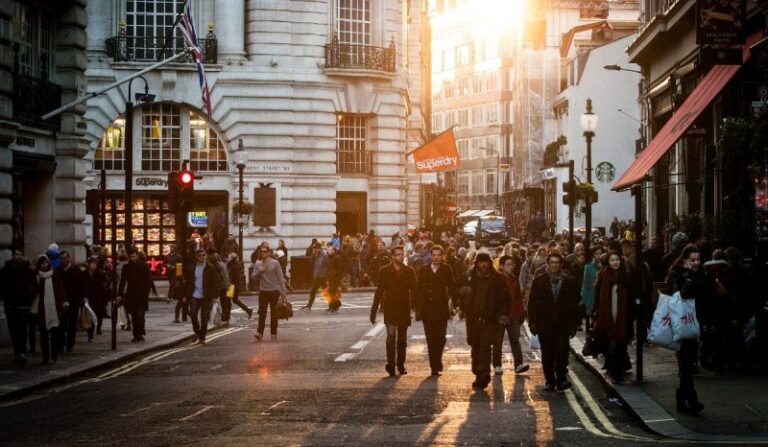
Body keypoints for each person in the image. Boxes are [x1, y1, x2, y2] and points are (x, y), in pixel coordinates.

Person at [666, 244, 710, 415]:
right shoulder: (676, 274)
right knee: (686, 364)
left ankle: (682, 400)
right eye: (692, 260)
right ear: (684, 260)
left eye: (698, 259)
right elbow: (678, 296)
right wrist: (689, 278)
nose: (696, 263)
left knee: (688, 364)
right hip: (681, 324)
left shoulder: (702, 274)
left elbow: (705, 300)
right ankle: (692, 401)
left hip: (695, 324)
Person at [528, 252, 580, 391]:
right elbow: (532, 303)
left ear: (561, 264)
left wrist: (574, 324)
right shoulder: (539, 281)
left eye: (557, 262)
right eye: (552, 262)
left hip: (562, 324)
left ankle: (561, 379)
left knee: (562, 351)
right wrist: (532, 322)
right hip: (545, 324)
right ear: (548, 264)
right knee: (547, 353)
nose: (554, 265)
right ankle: (550, 380)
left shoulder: (570, 281)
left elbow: (574, 304)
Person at [459, 252, 510, 390]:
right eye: (481, 262)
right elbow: (458, 292)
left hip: (490, 318)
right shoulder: (469, 278)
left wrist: (502, 314)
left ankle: (484, 372)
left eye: (486, 262)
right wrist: (462, 299)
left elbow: (504, 299)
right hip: (473, 318)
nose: (483, 265)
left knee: (485, 345)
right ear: (476, 263)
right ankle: (478, 372)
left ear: (489, 263)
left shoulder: (497, 279)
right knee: (475, 344)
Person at [370, 246, 417, 376]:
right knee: (391, 337)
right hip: (390, 307)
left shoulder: (409, 271)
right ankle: (391, 364)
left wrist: (416, 308)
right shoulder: (384, 271)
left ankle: (401, 364)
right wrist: (373, 311)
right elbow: (379, 291)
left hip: (403, 308)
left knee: (402, 339)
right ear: (392, 257)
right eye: (397, 255)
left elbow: (414, 290)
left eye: (401, 254)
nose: (400, 257)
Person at [414, 245, 455, 376]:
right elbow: (418, 290)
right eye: (434, 255)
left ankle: (438, 360)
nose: (437, 257)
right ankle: (434, 365)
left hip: (441, 308)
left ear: (442, 256)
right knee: (430, 338)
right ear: (430, 256)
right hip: (427, 308)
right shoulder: (424, 270)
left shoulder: (446, 269)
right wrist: (417, 308)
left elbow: (452, 286)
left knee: (441, 337)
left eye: (439, 255)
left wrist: (454, 303)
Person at [593, 251, 633, 383]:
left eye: (617, 260)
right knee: (612, 346)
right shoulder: (604, 275)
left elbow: (632, 297)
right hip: (608, 317)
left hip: (623, 317)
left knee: (621, 347)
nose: (615, 262)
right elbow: (598, 297)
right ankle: (616, 374)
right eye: (612, 260)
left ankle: (618, 372)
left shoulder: (626, 276)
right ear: (608, 262)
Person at [0, 249, 36, 363]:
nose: (19, 257)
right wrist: (5, 296)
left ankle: (22, 351)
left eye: (21, 255)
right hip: (10, 304)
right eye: (17, 255)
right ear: (13, 256)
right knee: (13, 329)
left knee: (22, 329)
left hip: (23, 304)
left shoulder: (28, 270)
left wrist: (28, 297)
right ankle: (17, 351)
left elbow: (34, 286)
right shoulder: (6, 269)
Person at [496, 255, 530, 375]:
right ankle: (497, 365)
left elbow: (518, 298)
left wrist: (521, 313)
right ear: (501, 266)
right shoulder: (497, 279)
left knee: (515, 340)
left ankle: (518, 365)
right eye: (508, 264)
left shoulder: (514, 278)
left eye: (512, 264)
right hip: (500, 316)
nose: (511, 267)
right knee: (497, 341)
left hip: (514, 315)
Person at [31, 255, 66, 365]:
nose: (45, 265)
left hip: (53, 308)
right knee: (43, 335)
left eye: (46, 263)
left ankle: (54, 352)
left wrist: (64, 301)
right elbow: (33, 291)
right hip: (42, 309)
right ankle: (45, 356)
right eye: (43, 263)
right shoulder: (36, 276)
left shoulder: (54, 275)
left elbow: (60, 289)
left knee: (54, 333)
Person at [252, 245, 287, 340]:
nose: (262, 253)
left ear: (268, 253)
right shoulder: (258, 264)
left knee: (274, 313)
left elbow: (280, 277)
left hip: (274, 291)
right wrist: (260, 272)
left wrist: (283, 291)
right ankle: (259, 333)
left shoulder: (275, 263)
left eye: (264, 251)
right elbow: (253, 277)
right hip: (263, 291)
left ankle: (273, 333)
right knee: (262, 313)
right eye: (261, 251)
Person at [185, 248, 220, 344]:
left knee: (204, 318)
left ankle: (202, 338)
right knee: (193, 314)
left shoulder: (210, 267)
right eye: (199, 255)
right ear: (196, 257)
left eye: (203, 255)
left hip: (206, 296)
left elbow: (215, 283)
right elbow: (189, 282)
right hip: (195, 295)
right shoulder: (192, 267)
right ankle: (197, 332)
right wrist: (185, 295)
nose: (202, 257)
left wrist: (216, 297)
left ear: (206, 256)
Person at [118, 248, 152, 342]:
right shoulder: (126, 267)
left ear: (137, 255)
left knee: (140, 315)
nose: (133, 258)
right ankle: (136, 334)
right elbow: (122, 282)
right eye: (131, 256)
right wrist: (119, 294)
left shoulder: (144, 266)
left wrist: (146, 292)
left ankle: (140, 333)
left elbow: (148, 280)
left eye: (134, 256)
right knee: (134, 316)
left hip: (142, 294)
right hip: (131, 294)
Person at [57, 250, 86, 353]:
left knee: (72, 325)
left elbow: (81, 286)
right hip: (62, 301)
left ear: (69, 258)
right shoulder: (58, 271)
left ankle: (70, 345)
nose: (63, 260)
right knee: (62, 324)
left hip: (73, 301)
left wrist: (81, 301)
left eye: (65, 258)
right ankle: (60, 345)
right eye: (61, 259)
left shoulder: (76, 270)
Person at [84, 256, 108, 338]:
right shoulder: (85, 274)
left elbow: (104, 286)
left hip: (98, 297)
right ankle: (90, 332)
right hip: (89, 297)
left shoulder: (100, 274)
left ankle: (98, 328)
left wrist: (105, 298)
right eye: (92, 264)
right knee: (90, 314)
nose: (93, 265)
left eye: (95, 264)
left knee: (99, 314)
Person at [301, 243, 327, 311]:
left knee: (313, 291)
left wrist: (323, 275)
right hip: (316, 276)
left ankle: (309, 306)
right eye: (314, 248)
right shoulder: (316, 255)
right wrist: (313, 254)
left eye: (315, 248)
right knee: (327, 292)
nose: (314, 249)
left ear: (319, 248)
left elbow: (327, 266)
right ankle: (335, 304)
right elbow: (311, 262)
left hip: (321, 277)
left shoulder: (324, 255)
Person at [227, 253, 253, 319]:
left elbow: (232, 277)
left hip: (232, 286)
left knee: (232, 300)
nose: (228, 258)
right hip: (233, 285)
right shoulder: (234, 265)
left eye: (229, 257)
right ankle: (248, 310)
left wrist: (229, 283)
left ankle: (227, 314)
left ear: (232, 258)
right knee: (232, 300)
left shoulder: (233, 266)